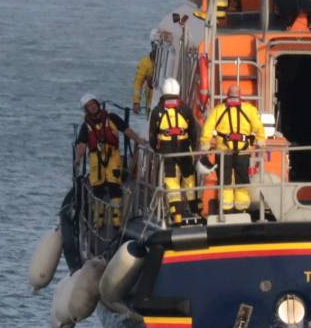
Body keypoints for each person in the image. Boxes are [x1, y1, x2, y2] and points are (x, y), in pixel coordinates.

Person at [74, 94, 145, 229]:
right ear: (86, 110)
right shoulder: (85, 126)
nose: (92, 107)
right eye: (88, 106)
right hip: (96, 159)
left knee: (114, 186)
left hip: (112, 155)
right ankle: (98, 220)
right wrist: (78, 159)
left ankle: (116, 219)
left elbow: (127, 130)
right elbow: (82, 144)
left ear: (98, 104)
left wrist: (139, 141)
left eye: (93, 104)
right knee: (97, 188)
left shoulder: (111, 118)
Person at [200, 83, 265, 213]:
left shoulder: (218, 110)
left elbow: (207, 128)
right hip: (243, 152)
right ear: (241, 96)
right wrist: (260, 140)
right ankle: (241, 209)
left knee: (225, 182)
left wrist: (205, 144)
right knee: (242, 181)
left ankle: (226, 209)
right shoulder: (250, 110)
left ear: (227, 96)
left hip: (224, 152)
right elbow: (259, 127)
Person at [149, 77, 201, 225]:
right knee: (190, 179)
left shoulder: (157, 111)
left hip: (167, 151)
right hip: (184, 147)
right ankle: (195, 211)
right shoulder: (185, 109)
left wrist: (156, 148)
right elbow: (193, 132)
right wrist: (192, 144)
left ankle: (176, 216)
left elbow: (152, 135)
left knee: (172, 182)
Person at [132, 29, 158, 115]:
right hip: (151, 103)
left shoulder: (169, 61)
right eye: (155, 46)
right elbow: (138, 83)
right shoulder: (144, 63)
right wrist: (136, 102)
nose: (156, 49)